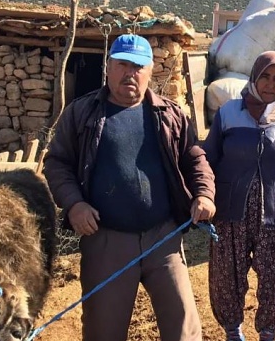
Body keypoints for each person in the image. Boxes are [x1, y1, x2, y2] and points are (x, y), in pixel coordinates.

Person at [43, 33, 216, 341]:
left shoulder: (169, 114)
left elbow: (194, 158)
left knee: (184, 328)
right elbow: (57, 164)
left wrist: (204, 193)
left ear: (150, 72)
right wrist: (74, 204)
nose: (130, 73)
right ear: (108, 67)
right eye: (122, 64)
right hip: (106, 240)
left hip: (163, 237)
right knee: (103, 332)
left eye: (138, 66)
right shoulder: (82, 114)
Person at [203, 51, 275, 341]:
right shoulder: (229, 114)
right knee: (226, 280)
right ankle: (233, 333)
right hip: (231, 215)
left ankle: (268, 335)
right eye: (265, 77)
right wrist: (203, 197)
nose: (270, 84)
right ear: (254, 78)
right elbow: (207, 161)